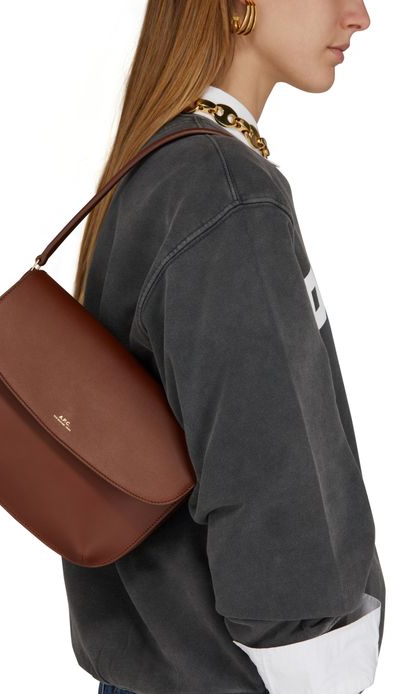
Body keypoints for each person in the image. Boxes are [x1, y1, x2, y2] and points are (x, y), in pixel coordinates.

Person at [60, 1, 386, 693]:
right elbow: (266, 474)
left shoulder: (165, 163)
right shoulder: (224, 188)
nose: (360, 15)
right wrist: (315, 667)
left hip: (157, 664)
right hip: (232, 674)